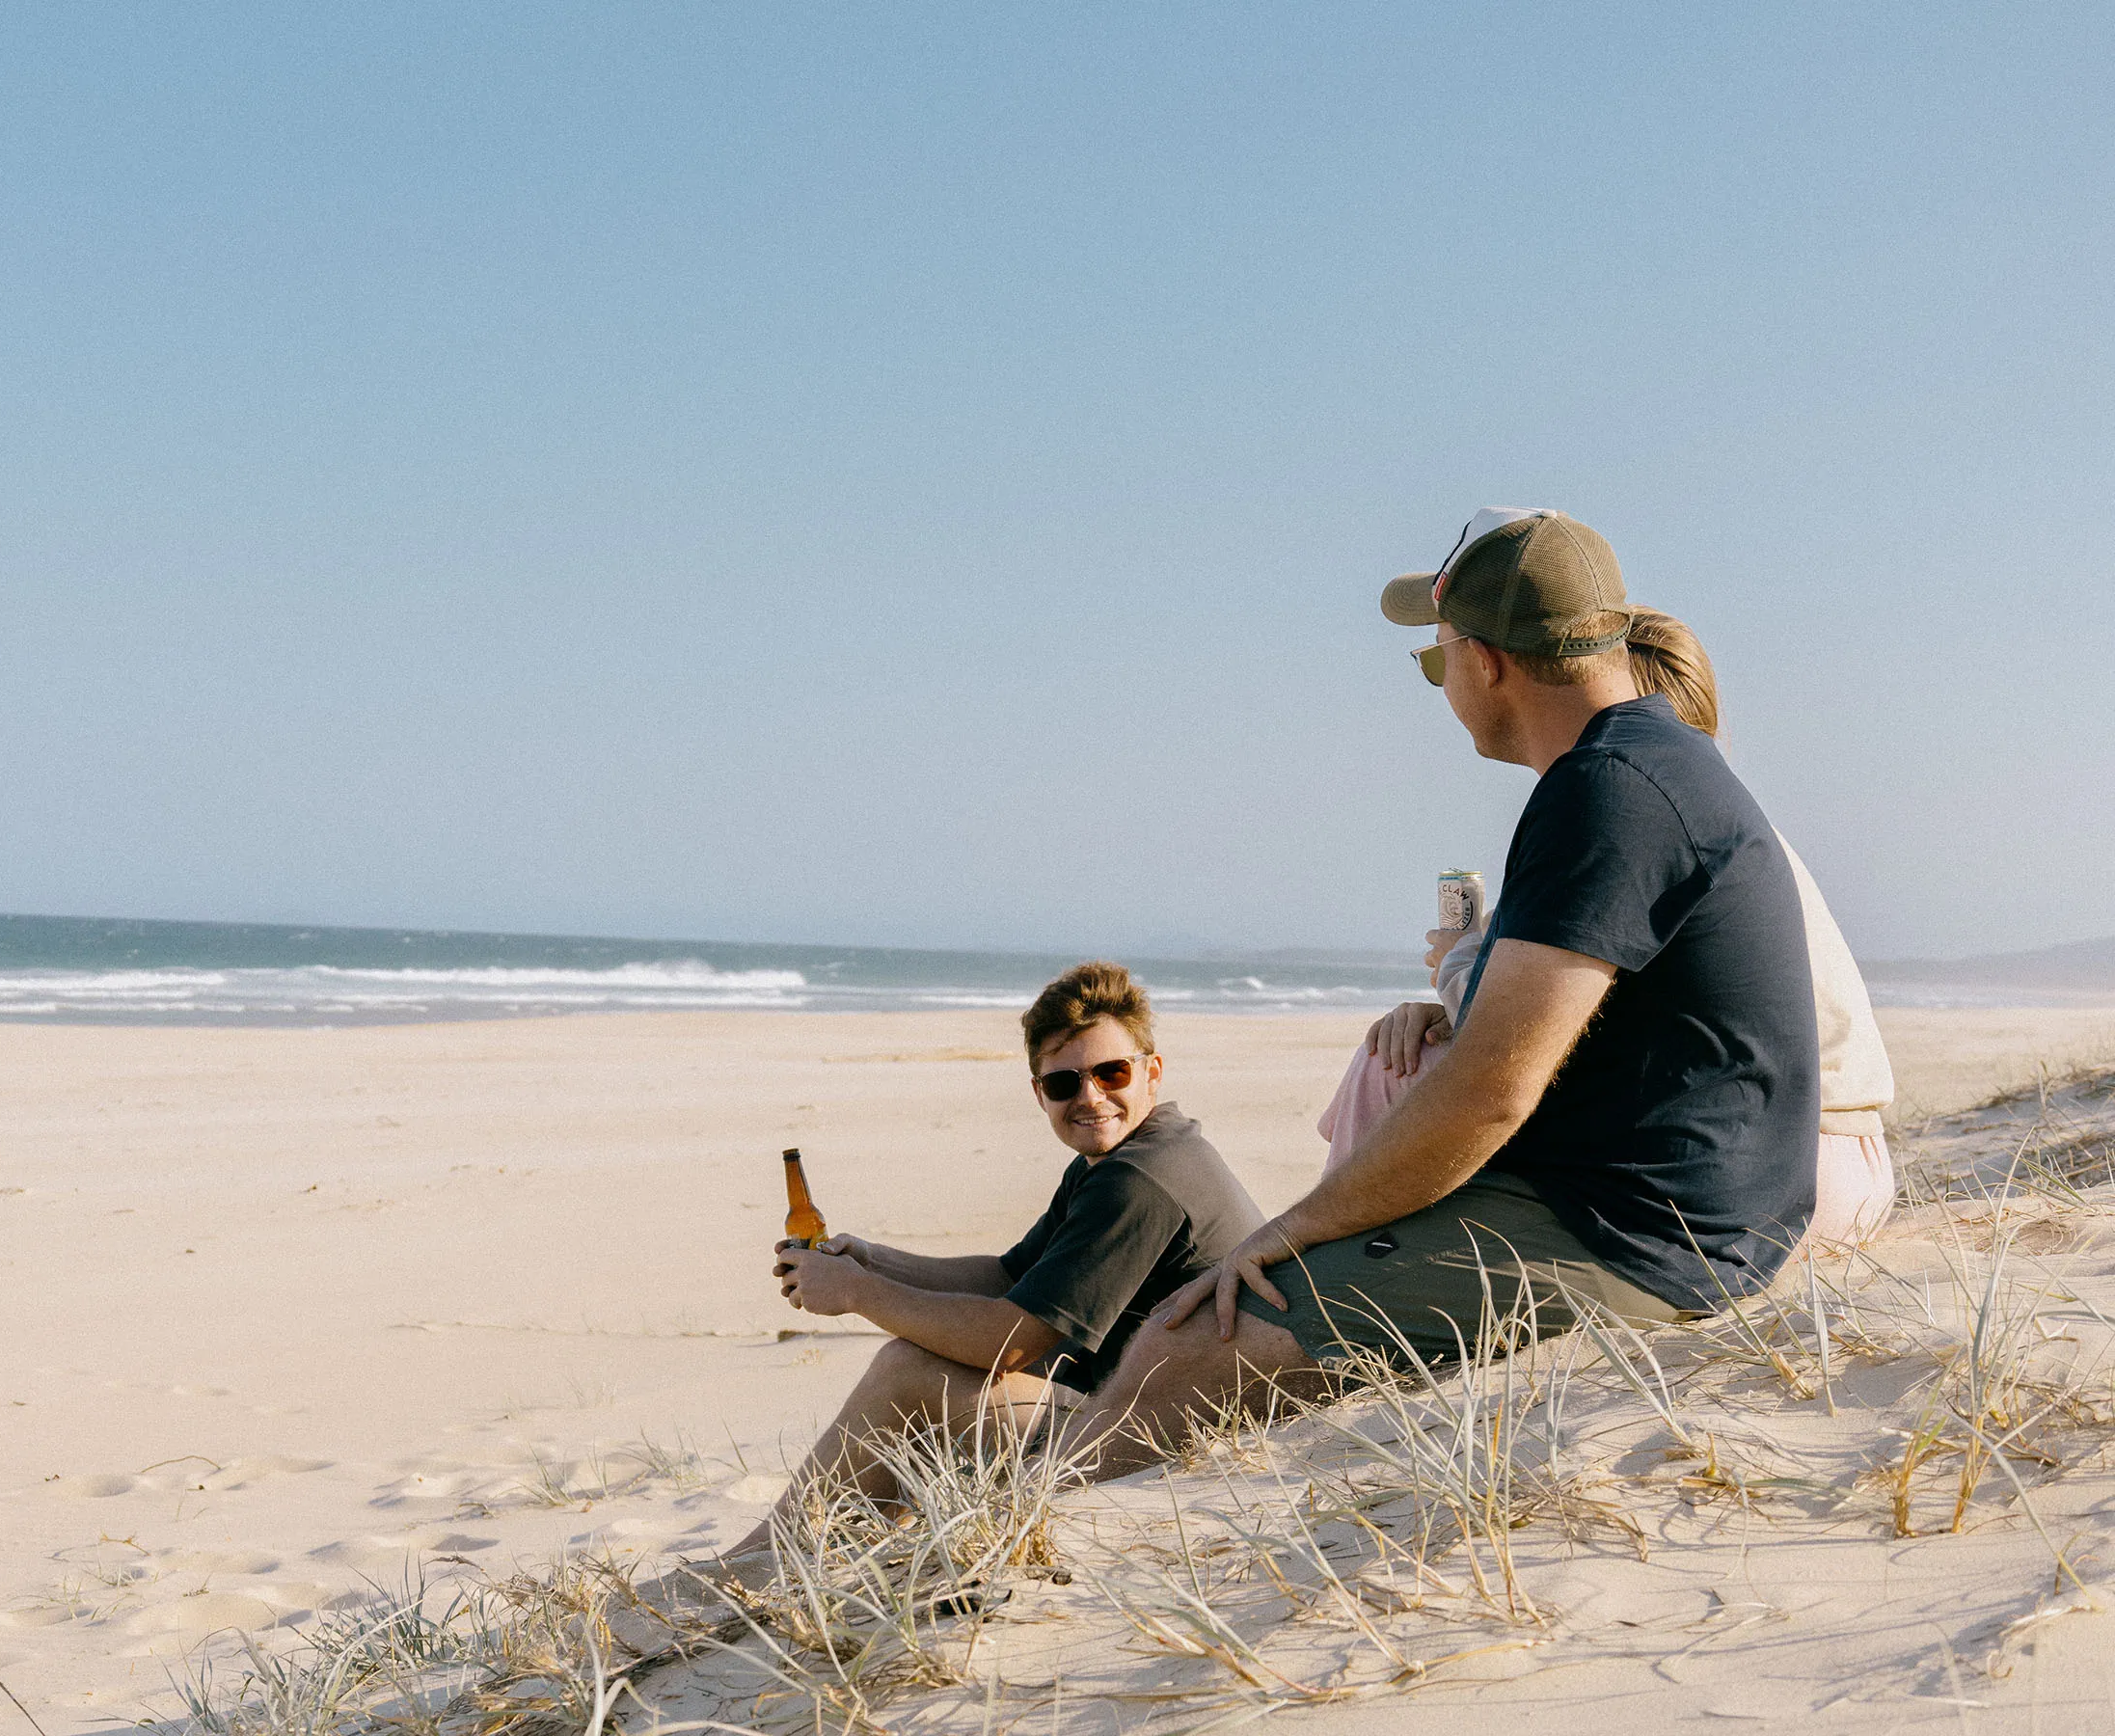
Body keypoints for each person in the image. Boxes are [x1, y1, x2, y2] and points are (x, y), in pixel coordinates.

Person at [1062, 507, 1822, 1478]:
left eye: (1437, 661)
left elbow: (1488, 1089)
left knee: (1190, 1346)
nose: (1443, 685)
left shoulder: (1610, 791)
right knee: (1203, 1333)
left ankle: (1028, 1571)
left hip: (1642, 1240)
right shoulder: (1648, 760)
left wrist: (1292, 1228)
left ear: (1490, 663)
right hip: (1671, 1210)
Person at [1331, 608, 1896, 1248]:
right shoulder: (1740, 832)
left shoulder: (1625, 819)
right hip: (1843, 1164)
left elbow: (1513, 1049)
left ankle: (1342, 1270)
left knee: (1393, 1070)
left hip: (1762, 1180)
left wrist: (1460, 963)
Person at [724, 960, 1261, 1560]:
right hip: (1157, 1406)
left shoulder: (1136, 1180)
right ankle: (811, 1550)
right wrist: (874, 1262)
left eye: (1112, 1072)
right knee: (926, 1364)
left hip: (1172, 1440)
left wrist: (856, 1293)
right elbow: (1010, 1276)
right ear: (1039, 1094)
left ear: (1151, 1072)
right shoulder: (1134, 1151)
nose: (1090, 1097)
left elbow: (1007, 1342)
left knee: (908, 1372)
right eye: (1064, 1084)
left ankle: (761, 1563)